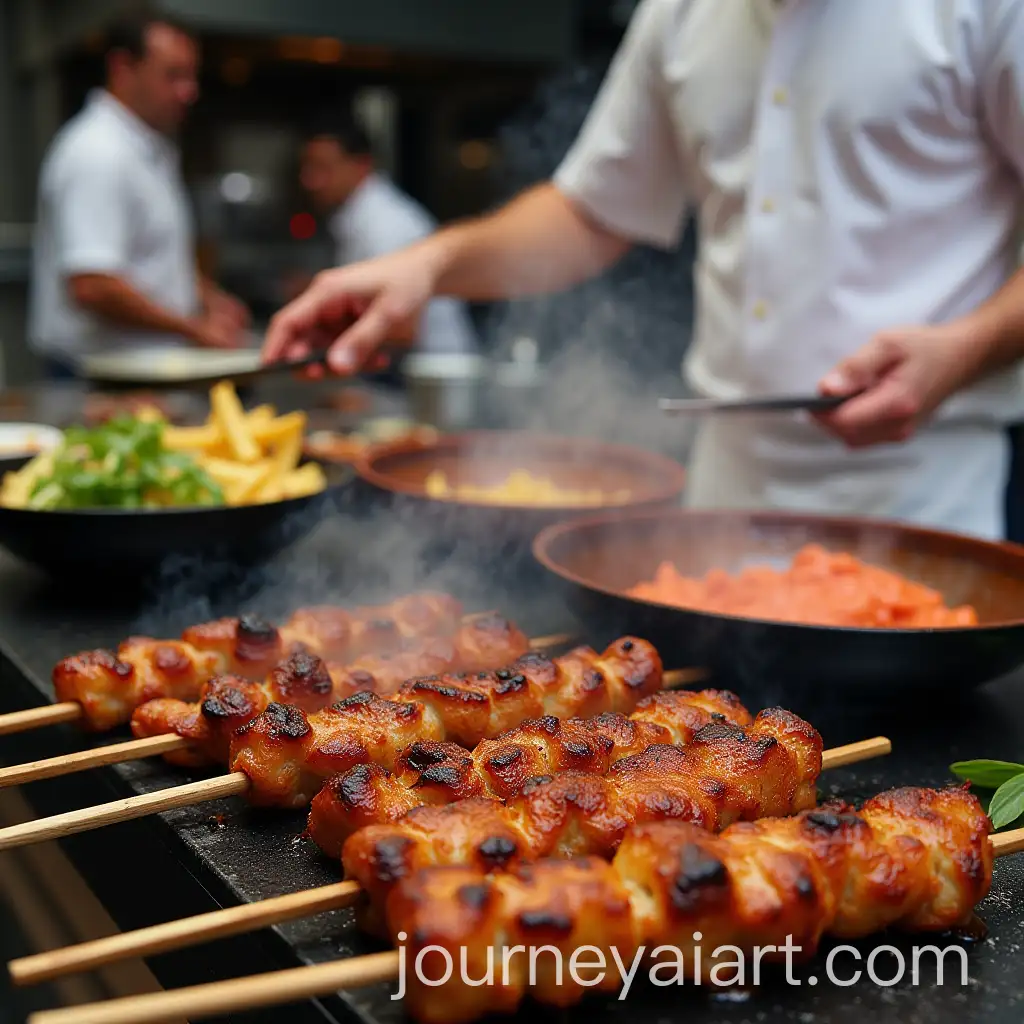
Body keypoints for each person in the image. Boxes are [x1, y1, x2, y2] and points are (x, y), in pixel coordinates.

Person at [264, 0, 1024, 541]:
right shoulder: (682, 14)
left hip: (919, 493)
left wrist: (965, 349)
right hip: (725, 487)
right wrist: (428, 265)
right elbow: (592, 214)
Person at [29, 10, 250, 379]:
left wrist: (208, 298)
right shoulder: (97, 151)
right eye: (173, 74)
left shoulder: (145, 149)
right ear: (122, 67)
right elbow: (93, 285)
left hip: (138, 370)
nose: (189, 91)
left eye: (191, 75)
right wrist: (194, 328)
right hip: (99, 377)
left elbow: (150, 259)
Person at [297, 110, 478, 356]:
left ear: (362, 165)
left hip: (425, 373)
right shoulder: (356, 215)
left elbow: (400, 328)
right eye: (308, 167)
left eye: (323, 168)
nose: (310, 180)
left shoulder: (386, 224)